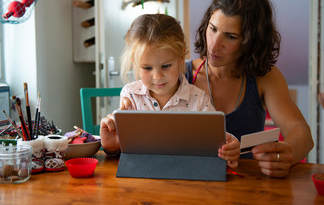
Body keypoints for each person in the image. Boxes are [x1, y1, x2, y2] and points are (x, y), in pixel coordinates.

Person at [185, 0, 314, 178]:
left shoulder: (265, 78)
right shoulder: (180, 74)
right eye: (213, 29)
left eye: (230, 36)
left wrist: (287, 153)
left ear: (251, 41)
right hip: (189, 184)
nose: (214, 45)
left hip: (249, 186)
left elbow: (301, 132)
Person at [100, 14, 240, 168]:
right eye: (147, 68)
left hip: (188, 179)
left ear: (181, 58)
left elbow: (218, 141)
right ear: (135, 64)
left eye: (166, 66)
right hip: (141, 180)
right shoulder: (130, 96)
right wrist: (111, 147)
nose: (157, 76)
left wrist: (230, 148)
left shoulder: (199, 100)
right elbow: (124, 151)